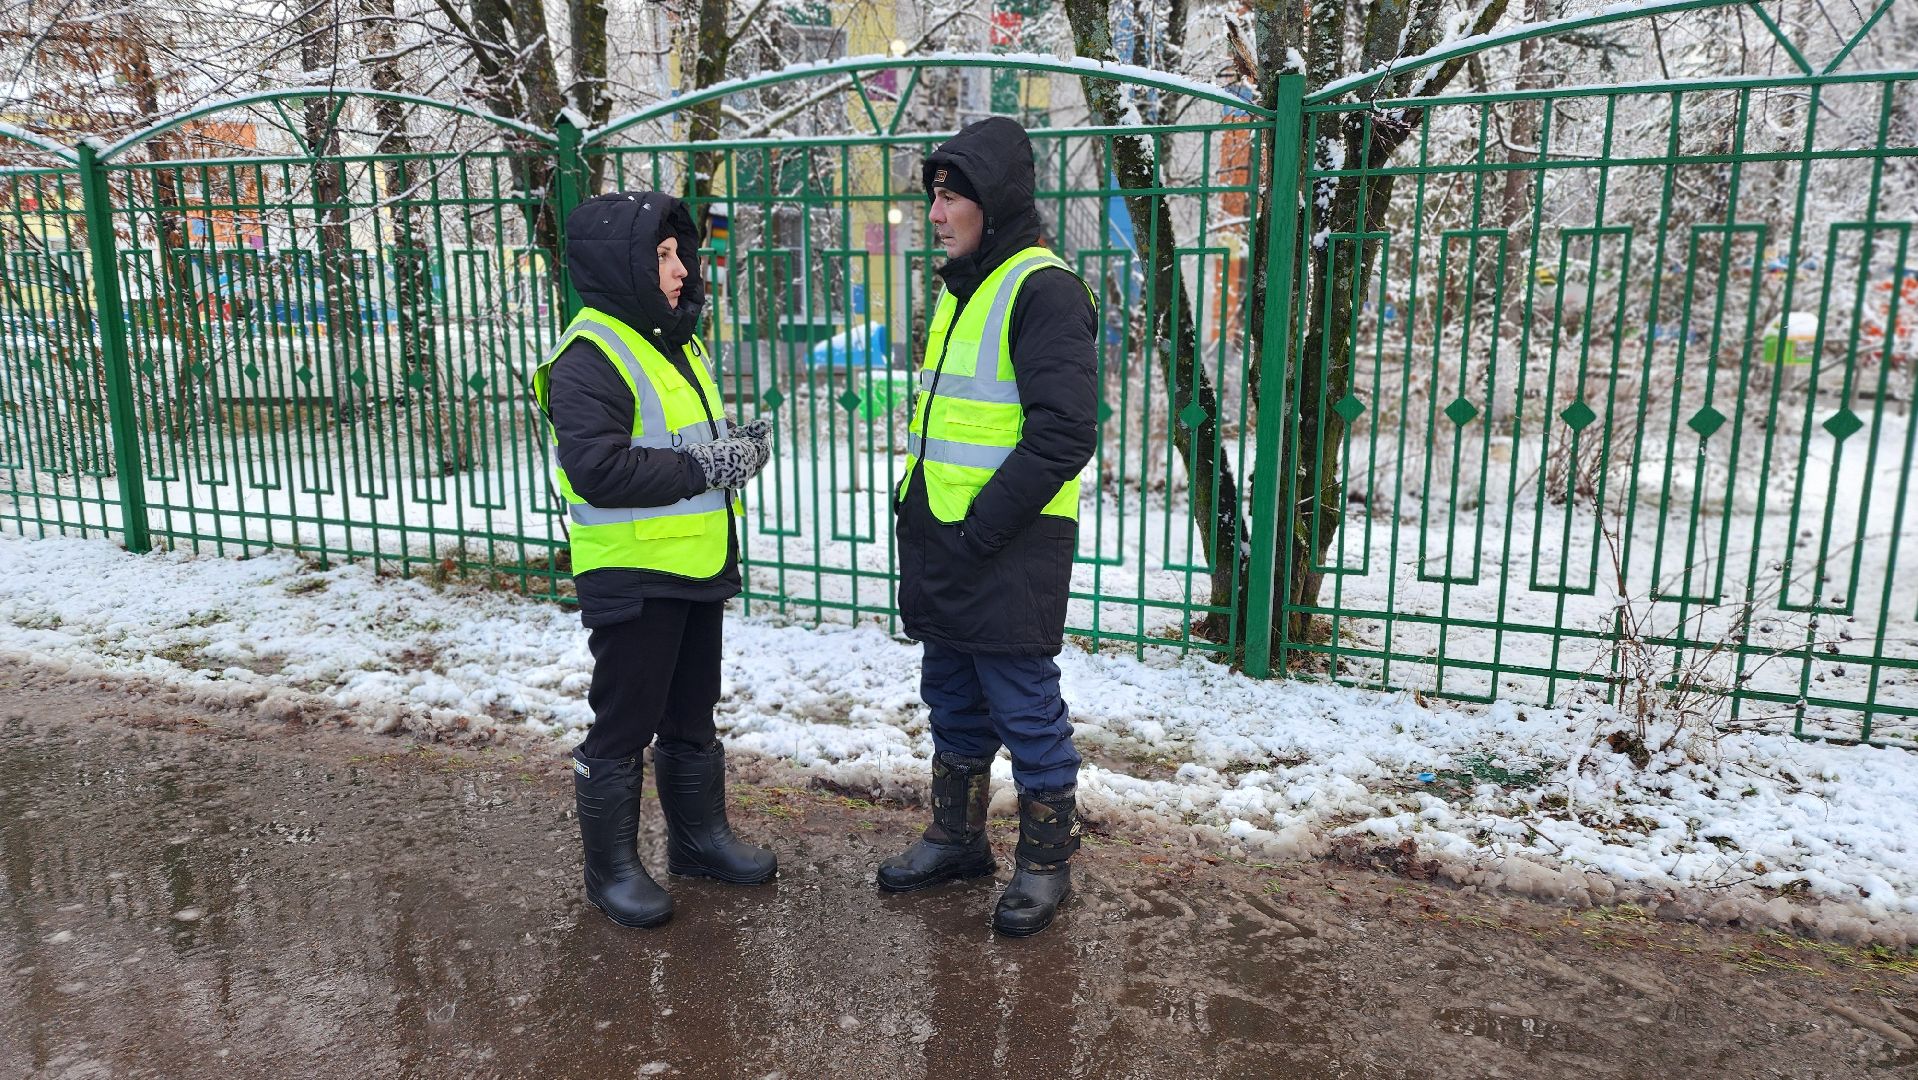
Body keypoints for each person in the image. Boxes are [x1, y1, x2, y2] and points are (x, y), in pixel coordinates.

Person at [531, 190, 777, 929]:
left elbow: (675, 441)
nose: (679, 270)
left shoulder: (673, 342)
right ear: (622, 265)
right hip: (633, 572)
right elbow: (598, 470)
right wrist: (708, 464)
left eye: (679, 254)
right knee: (624, 721)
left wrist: (733, 447)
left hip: (695, 563)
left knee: (692, 711)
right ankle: (609, 869)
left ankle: (699, 843)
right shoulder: (589, 356)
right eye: (661, 256)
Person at [878, 117, 1099, 937]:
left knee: (1024, 705)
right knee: (951, 696)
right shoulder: (964, 286)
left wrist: (980, 528)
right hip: (948, 537)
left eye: (952, 197)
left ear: (994, 201)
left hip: (1008, 543)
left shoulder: (1043, 289)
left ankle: (1044, 864)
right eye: (934, 197)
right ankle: (957, 840)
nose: (936, 214)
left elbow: (1064, 434)